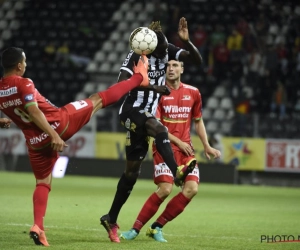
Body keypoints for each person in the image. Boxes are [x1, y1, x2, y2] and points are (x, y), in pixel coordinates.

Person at [0, 47, 149, 247]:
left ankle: (38, 227)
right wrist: (54, 135)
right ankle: (139, 78)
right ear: (19, 66)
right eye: (24, 62)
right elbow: (33, 111)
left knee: (42, 182)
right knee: (98, 99)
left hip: (35, 142)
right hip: (60, 123)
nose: (25, 65)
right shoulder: (24, 82)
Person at [100, 17, 203, 243]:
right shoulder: (138, 55)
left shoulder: (168, 49)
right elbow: (121, 82)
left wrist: (188, 42)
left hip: (143, 119)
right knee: (160, 129)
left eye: (168, 47)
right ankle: (177, 171)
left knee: (131, 174)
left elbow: (197, 61)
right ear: (149, 48)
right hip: (131, 112)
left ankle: (111, 218)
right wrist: (153, 85)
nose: (167, 53)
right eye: (163, 50)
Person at [119, 60, 221, 242]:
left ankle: (156, 227)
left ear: (182, 68)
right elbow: (157, 127)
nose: (171, 69)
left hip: (186, 150)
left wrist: (207, 145)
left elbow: (198, 120)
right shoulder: (157, 94)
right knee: (165, 189)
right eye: (168, 66)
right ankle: (134, 230)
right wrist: (179, 142)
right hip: (164, 148)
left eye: (175, 65)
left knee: (191, 189)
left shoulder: (193, 92)